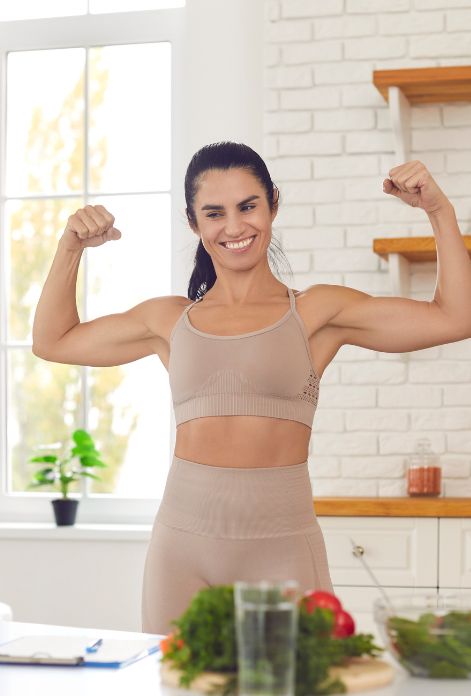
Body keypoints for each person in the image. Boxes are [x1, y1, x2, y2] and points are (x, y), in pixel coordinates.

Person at [33, 141, 471, 635]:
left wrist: (439, 209)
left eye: (248, 206)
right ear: (194, 223)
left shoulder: (316, 313)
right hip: (183, 552)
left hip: (284, 549)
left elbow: (456, 316)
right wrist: (70, 246)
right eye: (214, 213)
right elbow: (53, 341)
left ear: (273, 205)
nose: (235, 227)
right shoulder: (169, 319)